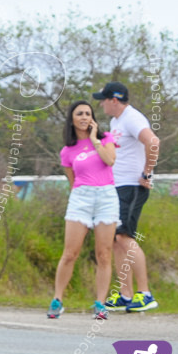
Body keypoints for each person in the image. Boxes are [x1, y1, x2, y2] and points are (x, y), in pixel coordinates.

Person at [47, 101, 118, 320]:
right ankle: (57, 300)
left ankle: (100, 303)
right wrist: (81, 194)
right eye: (80, 114)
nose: (84, 117)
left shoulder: (106, 139)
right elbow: (72, 180)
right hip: (81, 198)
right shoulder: (67, 151)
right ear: (72, 119)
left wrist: (95, 139)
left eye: (88, 113)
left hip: (106, 197)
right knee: (70, 253)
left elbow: (110, 160)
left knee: (104, 254)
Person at [94, 81, 161, 312]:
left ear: (114, 100)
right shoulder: (115, 122)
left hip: (131, 187)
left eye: (103, 99)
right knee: (115, 239)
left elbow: (153, 142)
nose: (101, 104)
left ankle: (145, 294)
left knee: (124, 237)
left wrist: (147, 173)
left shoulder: (132, 118)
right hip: (116, 187)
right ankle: (126, 294)